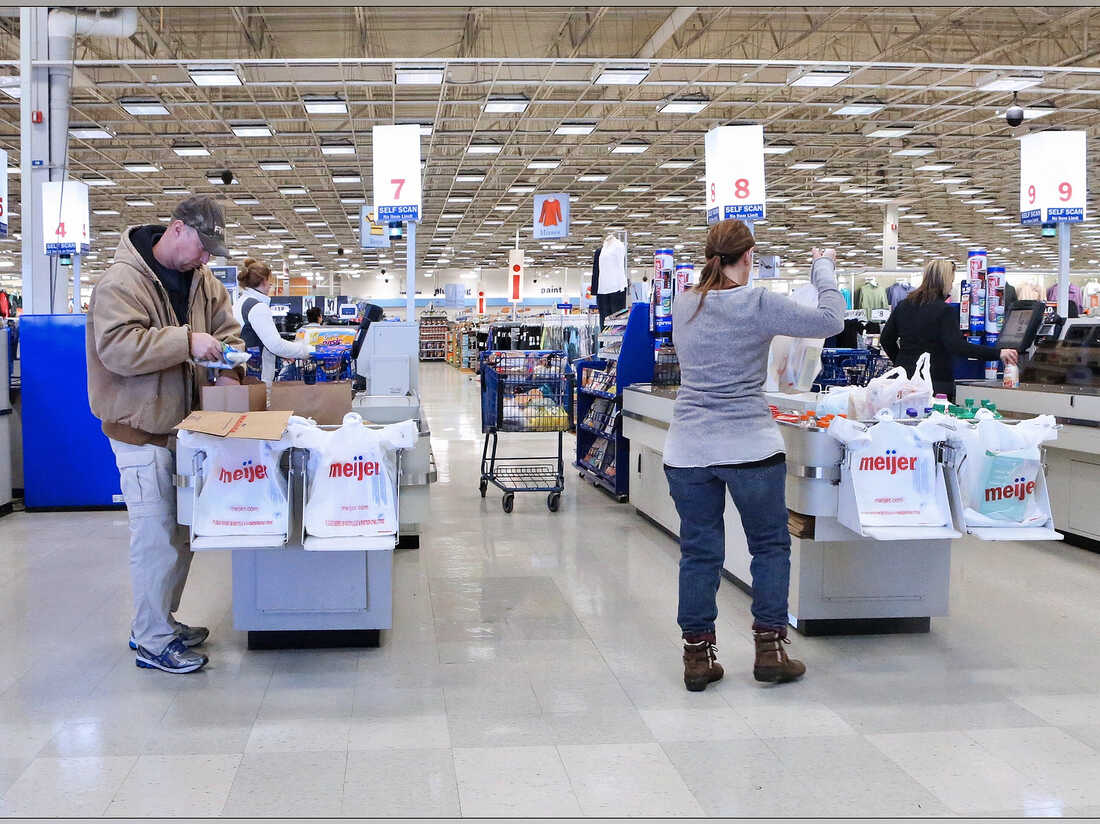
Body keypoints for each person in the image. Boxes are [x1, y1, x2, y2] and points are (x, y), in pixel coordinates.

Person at [663, 219, 845, 691]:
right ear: (749, 257)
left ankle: (697, 658)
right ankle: (770, 649)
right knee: (768, 547)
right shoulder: (758, 303)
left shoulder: (684, 304)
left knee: (699, 553)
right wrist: (823, 269)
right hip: (749, 445)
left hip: (688, 448)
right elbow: (831, 321)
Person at [86, 195, 243, 674]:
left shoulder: (203, 282)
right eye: (203, 246)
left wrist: (229, 366)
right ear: (177, 230)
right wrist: (185, 342)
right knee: (154, 537)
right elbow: (116, 349)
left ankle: (159, 623)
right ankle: (153, 641)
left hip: (186, 433)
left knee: (179, 536)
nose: (207, 258)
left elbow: (227, 328)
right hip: (139, 431)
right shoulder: (121, 282)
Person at [880, 259, 1018, 401]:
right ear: (944, 281)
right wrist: (998, 353)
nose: (951, 287)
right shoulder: (944, 310)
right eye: (951, 282)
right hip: (935, 382)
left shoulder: (903, 306)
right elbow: (957, 346)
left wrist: (902, 363)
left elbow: (885, 339)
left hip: (903, 382)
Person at [233, 258, 312, 384]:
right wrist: (307, 350)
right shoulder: (257, 307)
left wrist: (286, 352)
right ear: (264, 281)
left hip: (243, 373)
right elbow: (276, 345)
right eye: (270, 279)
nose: (271, 284)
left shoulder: (241, 302)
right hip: (257, 376)